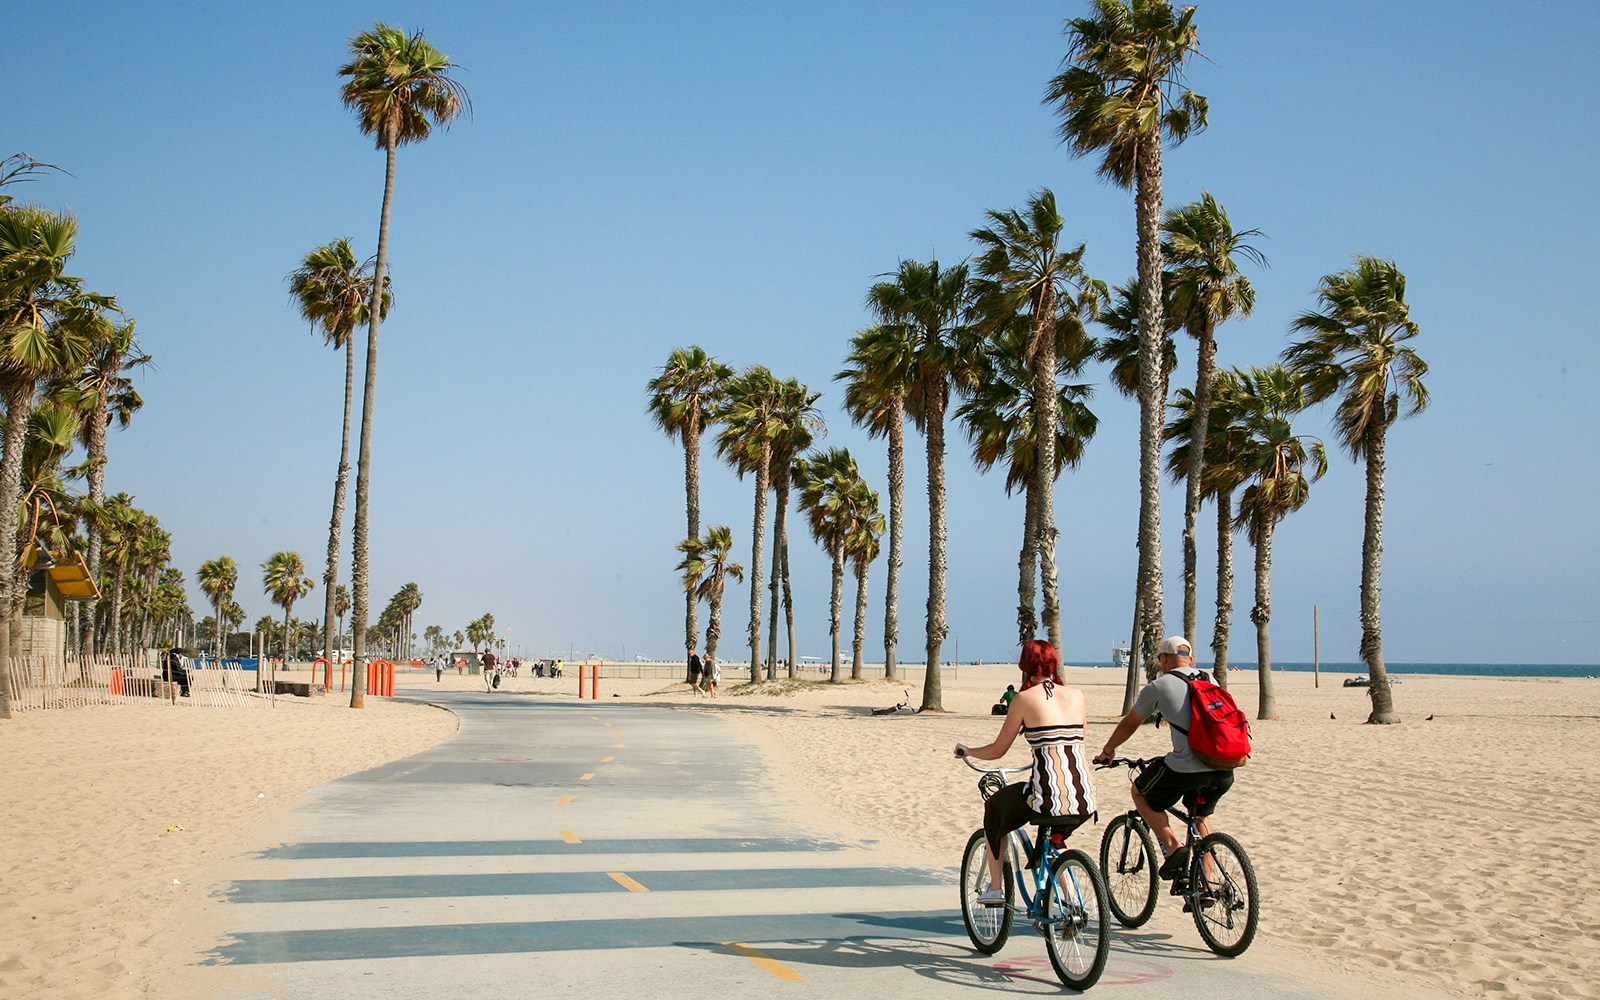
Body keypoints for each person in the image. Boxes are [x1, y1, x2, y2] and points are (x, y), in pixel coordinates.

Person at [955, 640, 1095, 906]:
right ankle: (1072, 898)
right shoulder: (1077, 695)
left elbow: (998, 750)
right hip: (1083, 795)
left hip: (1048, 794)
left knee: (995, 809)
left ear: (1025, 665)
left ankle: (995, 888)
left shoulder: (1024, 699)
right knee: (1055, 838)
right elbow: (1074, 741)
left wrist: (969, 751)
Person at [1093, 635, 1234, 883]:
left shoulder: (1159, 686)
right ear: (1190, 659)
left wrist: (1109, 750)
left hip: (1186, 768)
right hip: (1223, 765)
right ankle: (1206, 885)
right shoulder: (1210, 679)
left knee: (1139, 792)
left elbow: (1130, 723)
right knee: (1200, 817)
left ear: (1164, 659)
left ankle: (1172, 846)